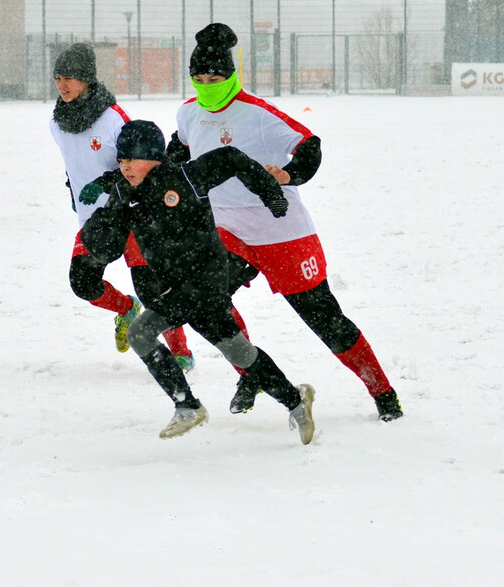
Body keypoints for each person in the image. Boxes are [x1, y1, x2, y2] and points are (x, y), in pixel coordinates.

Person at [171, 23, 404, 422]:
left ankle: (384, 394)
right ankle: (251, 372)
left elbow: (309, 145)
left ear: (232, 76)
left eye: (215, 78)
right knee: (207, 305)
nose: (206, 85)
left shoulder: (258, 114)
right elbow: (179, 153)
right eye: (198, 78)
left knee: (325, 320)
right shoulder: (189, 112)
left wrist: (290, 174)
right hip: (226, 231)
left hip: (282, 231)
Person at [81, 120, 315, 443]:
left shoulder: (186, 177)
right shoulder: (126, 196)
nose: (126, 167)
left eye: (132, 159)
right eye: (121, 161)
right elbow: (107, 245)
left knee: (140, 331)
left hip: (207, 279)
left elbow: (231, 158)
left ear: (154, 157)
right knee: (241, 354)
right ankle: (296, 399)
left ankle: (188, 406)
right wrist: (100, 230)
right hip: (178, 288)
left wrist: (270, 192)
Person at [50, 43, 194, 367]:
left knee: (154, 292)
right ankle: (125, 309)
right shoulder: (56, 123)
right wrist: (73, 190)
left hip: (130, 213)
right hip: (96, 220)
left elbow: (142, 161)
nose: (61, 84)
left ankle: (181, 351)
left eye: (68, 77)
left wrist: (109, 186)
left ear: (86, 78)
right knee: (82, 282)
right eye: (57, 77)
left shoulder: (113, 119)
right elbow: (73, 162)